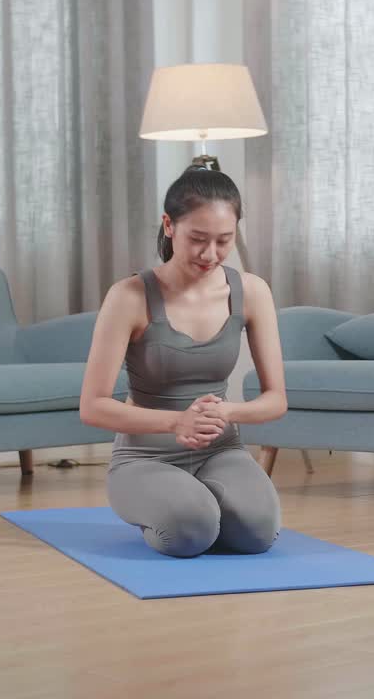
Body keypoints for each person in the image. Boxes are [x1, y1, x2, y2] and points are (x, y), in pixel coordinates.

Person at [79, 168, 287, 558]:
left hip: (220, 451)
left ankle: (202, 505)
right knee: (190, 533)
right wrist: (177, 421)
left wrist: (229, 411)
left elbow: (276, 399)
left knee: (259, 535)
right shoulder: (129, 296)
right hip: (145, 457)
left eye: (224, 241)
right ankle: (182, 509)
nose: (210, 254)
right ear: (169, 225)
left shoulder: (252, 292)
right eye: (198, 239)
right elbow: (92, 406)